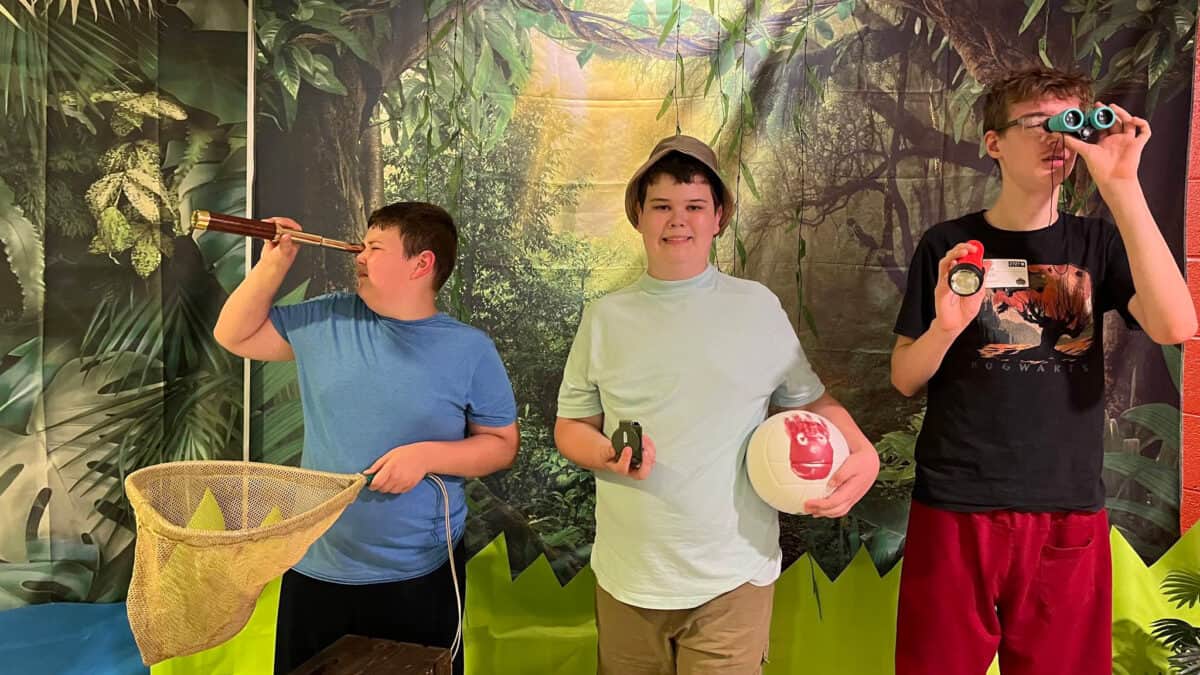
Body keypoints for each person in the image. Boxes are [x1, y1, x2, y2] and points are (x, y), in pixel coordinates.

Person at [891, 67, 1196, 674]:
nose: (1058, 138)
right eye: (1037, 123)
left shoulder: (1097, 244)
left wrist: (1122, 186)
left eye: (1070, 123)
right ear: (994, 142)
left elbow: (1176, 325)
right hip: (956, 503)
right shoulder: (948, 243)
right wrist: (946, 327)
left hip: (1066, 507)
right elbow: (904, 377)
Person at [554, 135, 880, 674]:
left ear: (718, 217)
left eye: (694, 206)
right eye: (661, 206)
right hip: (628, 577)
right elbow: (571, 427)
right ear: (639, 215)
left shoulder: (757, 309)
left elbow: (811, 401)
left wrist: (863, 452)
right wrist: (606, 453)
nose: (677, 220)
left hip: (734, 577)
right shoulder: (604, 318)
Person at [213, 201, 519, 674]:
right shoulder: (326, 319)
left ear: (421, 263)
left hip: (421, 569)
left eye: (375, 248)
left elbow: (501, 445)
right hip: (317, 561)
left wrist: (426, 456)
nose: (358, 255)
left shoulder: (470, 349)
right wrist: (274, 263)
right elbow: (234, 335)